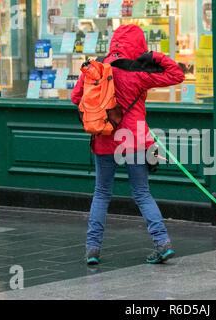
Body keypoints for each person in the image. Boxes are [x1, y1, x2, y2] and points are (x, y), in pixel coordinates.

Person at [71, 24, 185, 265]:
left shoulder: (95, 67)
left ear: (113, 42)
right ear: (138, 45)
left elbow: (75, 98)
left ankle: (92, 249)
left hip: (104, 138)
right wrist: (153, 56)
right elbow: (176, 74)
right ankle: (162, 242)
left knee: (101, 194)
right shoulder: (138, 70)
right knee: (142, 193)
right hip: (135, 140)